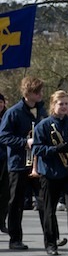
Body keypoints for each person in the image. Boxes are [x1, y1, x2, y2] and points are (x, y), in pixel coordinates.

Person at [32, 90, 68, 256]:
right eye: (60, 104)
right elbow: (37, 148)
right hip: (50, 174)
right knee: (49, 210)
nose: (63, 107)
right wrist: (55, 150)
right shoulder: (44, 125)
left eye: (66, 104)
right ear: (53, 105)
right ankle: (50, 244)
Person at [0, 76, 48, 250]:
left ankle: (51, 239)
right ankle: (15, 239)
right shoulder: (13, 112)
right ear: (29, 93)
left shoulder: (42, 110)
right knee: (16, 202)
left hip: (39, 162)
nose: (41, 94)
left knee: (44, 201)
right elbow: (3, 136)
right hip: (18, 163)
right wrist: (24, 142)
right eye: (38, 92)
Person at [0, 93, 9, 233]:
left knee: (5, 193)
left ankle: (1, 221)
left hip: (5, 159)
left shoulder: (7, 116)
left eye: (1, 102)